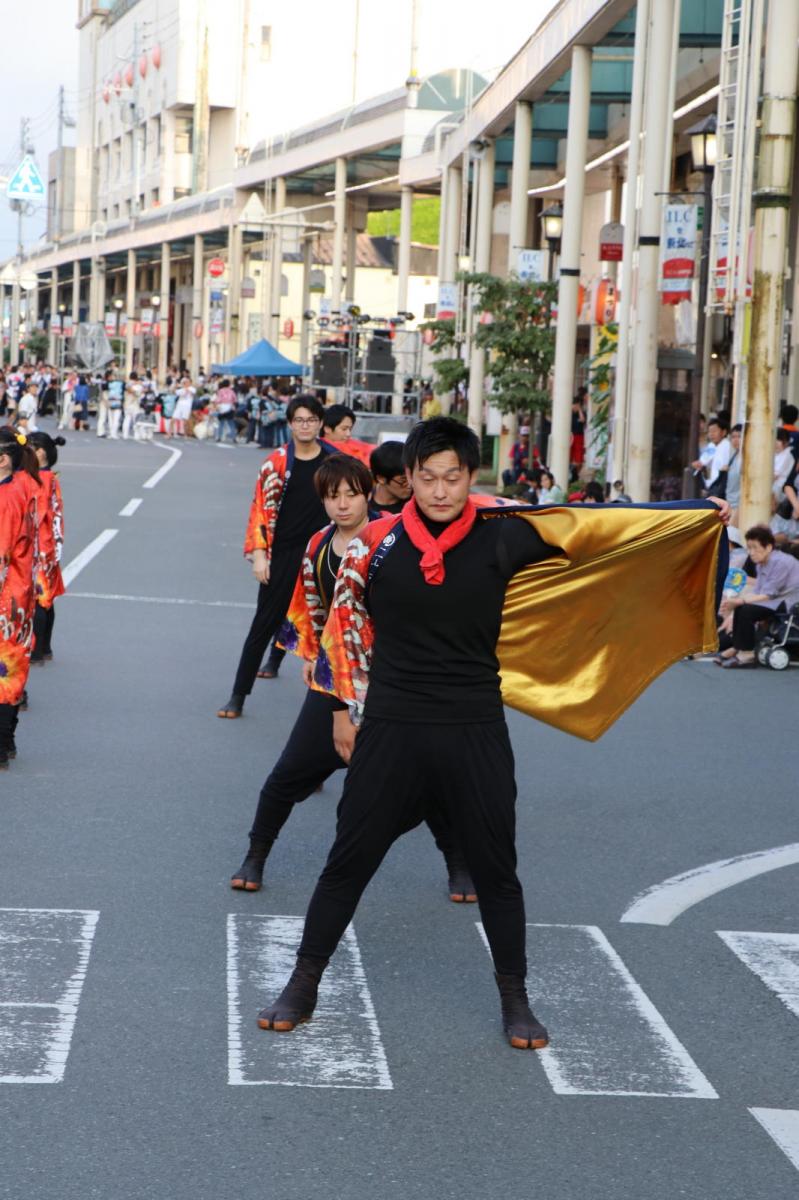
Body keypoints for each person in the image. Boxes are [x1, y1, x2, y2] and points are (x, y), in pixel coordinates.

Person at [254, 417, 729, 1050]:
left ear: (471, 476)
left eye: (453, 477)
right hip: (392, 725)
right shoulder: (376, 542)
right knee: (348, 861)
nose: (441, 490)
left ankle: (515, 998)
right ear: (408, 481)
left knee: (497, 870)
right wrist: (342, 708)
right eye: (428, 478)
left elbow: (591, 525)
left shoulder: (502, 536)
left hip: (474, 724)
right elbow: (342, 631)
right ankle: (302, 984)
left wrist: (692, 512)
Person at [230, 452, 476, 902]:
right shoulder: (317, 545)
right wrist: (311, 652)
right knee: (288, 774)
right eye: (332, 496)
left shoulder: (398, 537)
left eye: (351, 494)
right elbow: (313, 607)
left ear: (368, 494)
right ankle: (256, 854)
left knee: (429, 780)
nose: (343, 504)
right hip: (335, 678)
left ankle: (458, 863)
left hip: (397, 680)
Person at [217, 394, 335, 718]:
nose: (305, 425)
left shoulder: (334, 462)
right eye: (299, 420)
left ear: (321, 423)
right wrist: (259, 555)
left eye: (311, 419)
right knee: (264, 623)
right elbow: (259, 510)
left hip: (324, 555)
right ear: (290, 424)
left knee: (332, 627)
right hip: (283, 553)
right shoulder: (276, 462)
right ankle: (238, 695)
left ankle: (336, 704)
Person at [0, 428, 40, 767]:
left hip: (5, 593)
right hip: (19, 591)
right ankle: (7, 741)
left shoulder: (7, 496)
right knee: (9, 667)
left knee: (3, 669)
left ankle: (2, 743)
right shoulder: (22, 486)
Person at [715, 524, 799, 668]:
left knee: (745, 610)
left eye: (755, 547)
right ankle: (739, 648)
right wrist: (734, 606)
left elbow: (769, 594)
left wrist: (739, 601)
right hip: (776, 601)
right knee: (742, 609)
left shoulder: (781, 562)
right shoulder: (762, 564)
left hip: (790, 603)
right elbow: (758, 590)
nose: (751, 552)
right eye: (749, 547)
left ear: (768, 547)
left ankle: (745, 654)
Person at [27, 433, 66, 666]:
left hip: (39, 545)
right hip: (50, 545)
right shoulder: (50, 477)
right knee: (47, 599)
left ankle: (36, 650)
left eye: (34, 447)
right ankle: (46, 646)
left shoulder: (41, 479)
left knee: (38, 599)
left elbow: (38, 514)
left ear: (43, 452)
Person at [369, 441, 413, 514]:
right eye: (403, 480)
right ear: (381, 479)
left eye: (412, 476)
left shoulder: (418, 503)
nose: (410, 485)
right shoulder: (364, 507)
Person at [692, 416, 730, 497]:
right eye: (709, 431)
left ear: (724, 432)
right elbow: (702, 462)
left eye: (714, 431)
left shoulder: (727, 446)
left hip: (722, 487)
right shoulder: (711, 445)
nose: (711, 434)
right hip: (712, 486)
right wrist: (698, 464)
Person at [214, 379, 238, 444]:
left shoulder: (220, 391)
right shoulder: (231, 391)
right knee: (231, 424)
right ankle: (234, 438)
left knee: (221, 423)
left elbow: (218, 400)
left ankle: (219, 437)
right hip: (229, 407)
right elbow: (235, 400)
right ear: (229, 384)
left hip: (222, 407)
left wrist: (217, 406)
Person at [122, 372, 143, 439]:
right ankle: (136, 435)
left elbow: (127, 390)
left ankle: (125, 435)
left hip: (127, 404)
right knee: (136, 420)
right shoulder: (138, 385)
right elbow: (138, 394)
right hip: (135, 404)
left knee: (127, 419)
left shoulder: (126, 384)